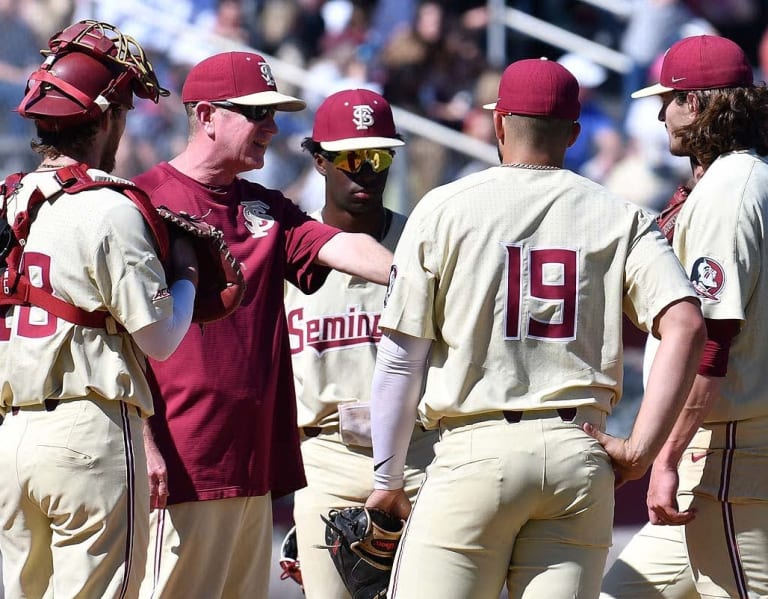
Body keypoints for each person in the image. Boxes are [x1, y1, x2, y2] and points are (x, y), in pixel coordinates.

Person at [363, 56, 707, 599]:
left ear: (499, 122)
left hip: (474, 447)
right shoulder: (621, 213)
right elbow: (686, 324)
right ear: (573, 132)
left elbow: (401, 358)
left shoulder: (443, 207)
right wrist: (640, 450)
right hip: (579, 449)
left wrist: (385, 480)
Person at [134, 52, 395, 599]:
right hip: (181, 462)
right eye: (256, 114)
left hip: (251, 465)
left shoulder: (267, 207)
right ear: (207, 116)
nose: (272, 128)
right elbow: (113, 338)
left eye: (273, 114)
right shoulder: (142, 202)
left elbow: (344, 246)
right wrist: (143, 442)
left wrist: (422, 274)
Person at [0, 20, 198, 599]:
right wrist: (184, 274)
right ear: (109, 116)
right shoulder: (110, 207)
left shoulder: (8, 199)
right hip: (89, 432)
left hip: (12, 436)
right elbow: (160, 339)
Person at [601, 34, 768, 599]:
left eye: (668, 100)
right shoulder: (739, 177)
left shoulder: (731, 190)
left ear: (695, 103)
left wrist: (664, 455)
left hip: (730, 452)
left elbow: (713, 339)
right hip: (719, 448)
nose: (660, 113)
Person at [284, 88, 437, 597]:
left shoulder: (423, 244)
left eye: (378, 156)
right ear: (320, 161)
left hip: (420, 454)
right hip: (324, 454)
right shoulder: (286, 252)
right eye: (351, 157)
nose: (366, 170)